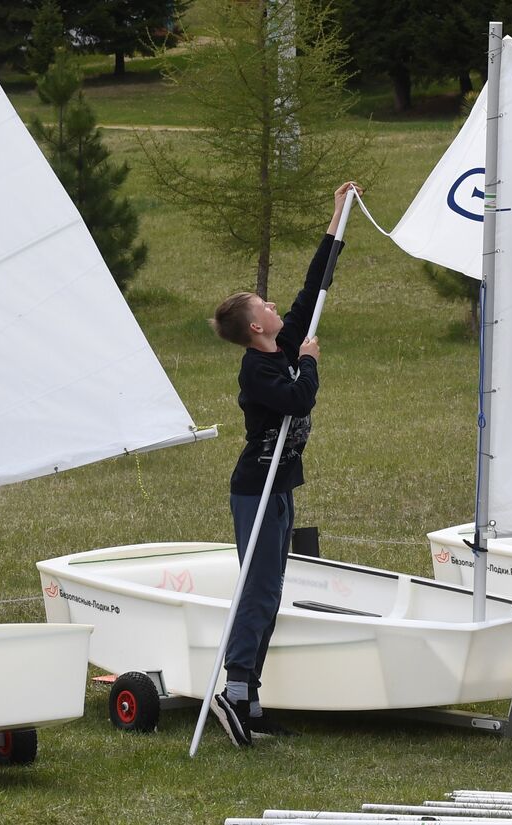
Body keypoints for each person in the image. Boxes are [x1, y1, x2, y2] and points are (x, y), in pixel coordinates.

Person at [207, 181, 361, 746]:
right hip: (256, 488)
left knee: (271, 590)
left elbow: (311, 288)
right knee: (259, 588)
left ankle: (250, 698)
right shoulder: (259, 370)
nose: (275, 309)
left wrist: (335, 221)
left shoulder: (284, 342)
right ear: (254, 327)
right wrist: (312, 365)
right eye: (264, 307)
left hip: (281, 486)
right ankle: (234, 689)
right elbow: (297, 399)